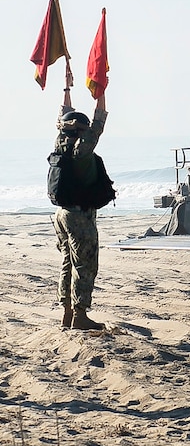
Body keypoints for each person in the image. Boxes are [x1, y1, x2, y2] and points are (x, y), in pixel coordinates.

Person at [52, 86, 108, 331]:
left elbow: (64, 114)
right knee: (85, 265)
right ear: (81, 130)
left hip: (61, 215)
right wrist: (101, 89)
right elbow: (98, 122)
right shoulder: (81, 148)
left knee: (68, 262)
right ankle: (80, 315)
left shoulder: (60, 141)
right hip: (79, 216)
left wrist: (67, 87)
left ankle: (66, 313)